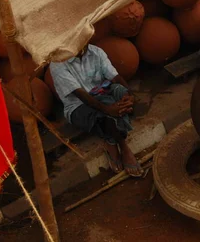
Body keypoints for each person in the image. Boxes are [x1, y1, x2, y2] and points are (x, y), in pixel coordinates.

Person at [50, 44, 143, 177]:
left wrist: (130, 96)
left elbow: (115, 78)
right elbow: (82, 95)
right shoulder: (57, 64)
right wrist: (108, 109)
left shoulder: (96, 51)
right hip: (79, 106)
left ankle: (110, 138)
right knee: (106, 113)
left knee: (121, 92)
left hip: (103, 94)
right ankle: (123, 147)